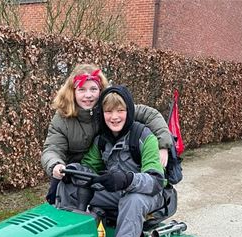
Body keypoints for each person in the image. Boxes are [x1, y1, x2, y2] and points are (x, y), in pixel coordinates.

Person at [57, 85, 166, 237]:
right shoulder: (102, 140)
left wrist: (127, 179)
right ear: (102, 114)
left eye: (120, 111)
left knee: (132, 201)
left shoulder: (144, 137)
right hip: (117, 193)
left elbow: (156, 181)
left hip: (148, 195)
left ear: (129, 111)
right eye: (108, 112)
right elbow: (89, 167)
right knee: (73, 189)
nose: (114, 117)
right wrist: (73, 171)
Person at [41, 64, 172, 204]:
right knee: (58, 200)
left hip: (104, 171)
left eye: (93, 89)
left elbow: (150, 115)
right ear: (72, 92)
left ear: (101, 90)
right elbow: (52, 148)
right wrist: (55, 165)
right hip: (74, 172)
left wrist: (163, 144)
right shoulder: (62, 118)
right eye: (82, 89)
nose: (88, 95)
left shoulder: (111, 108)